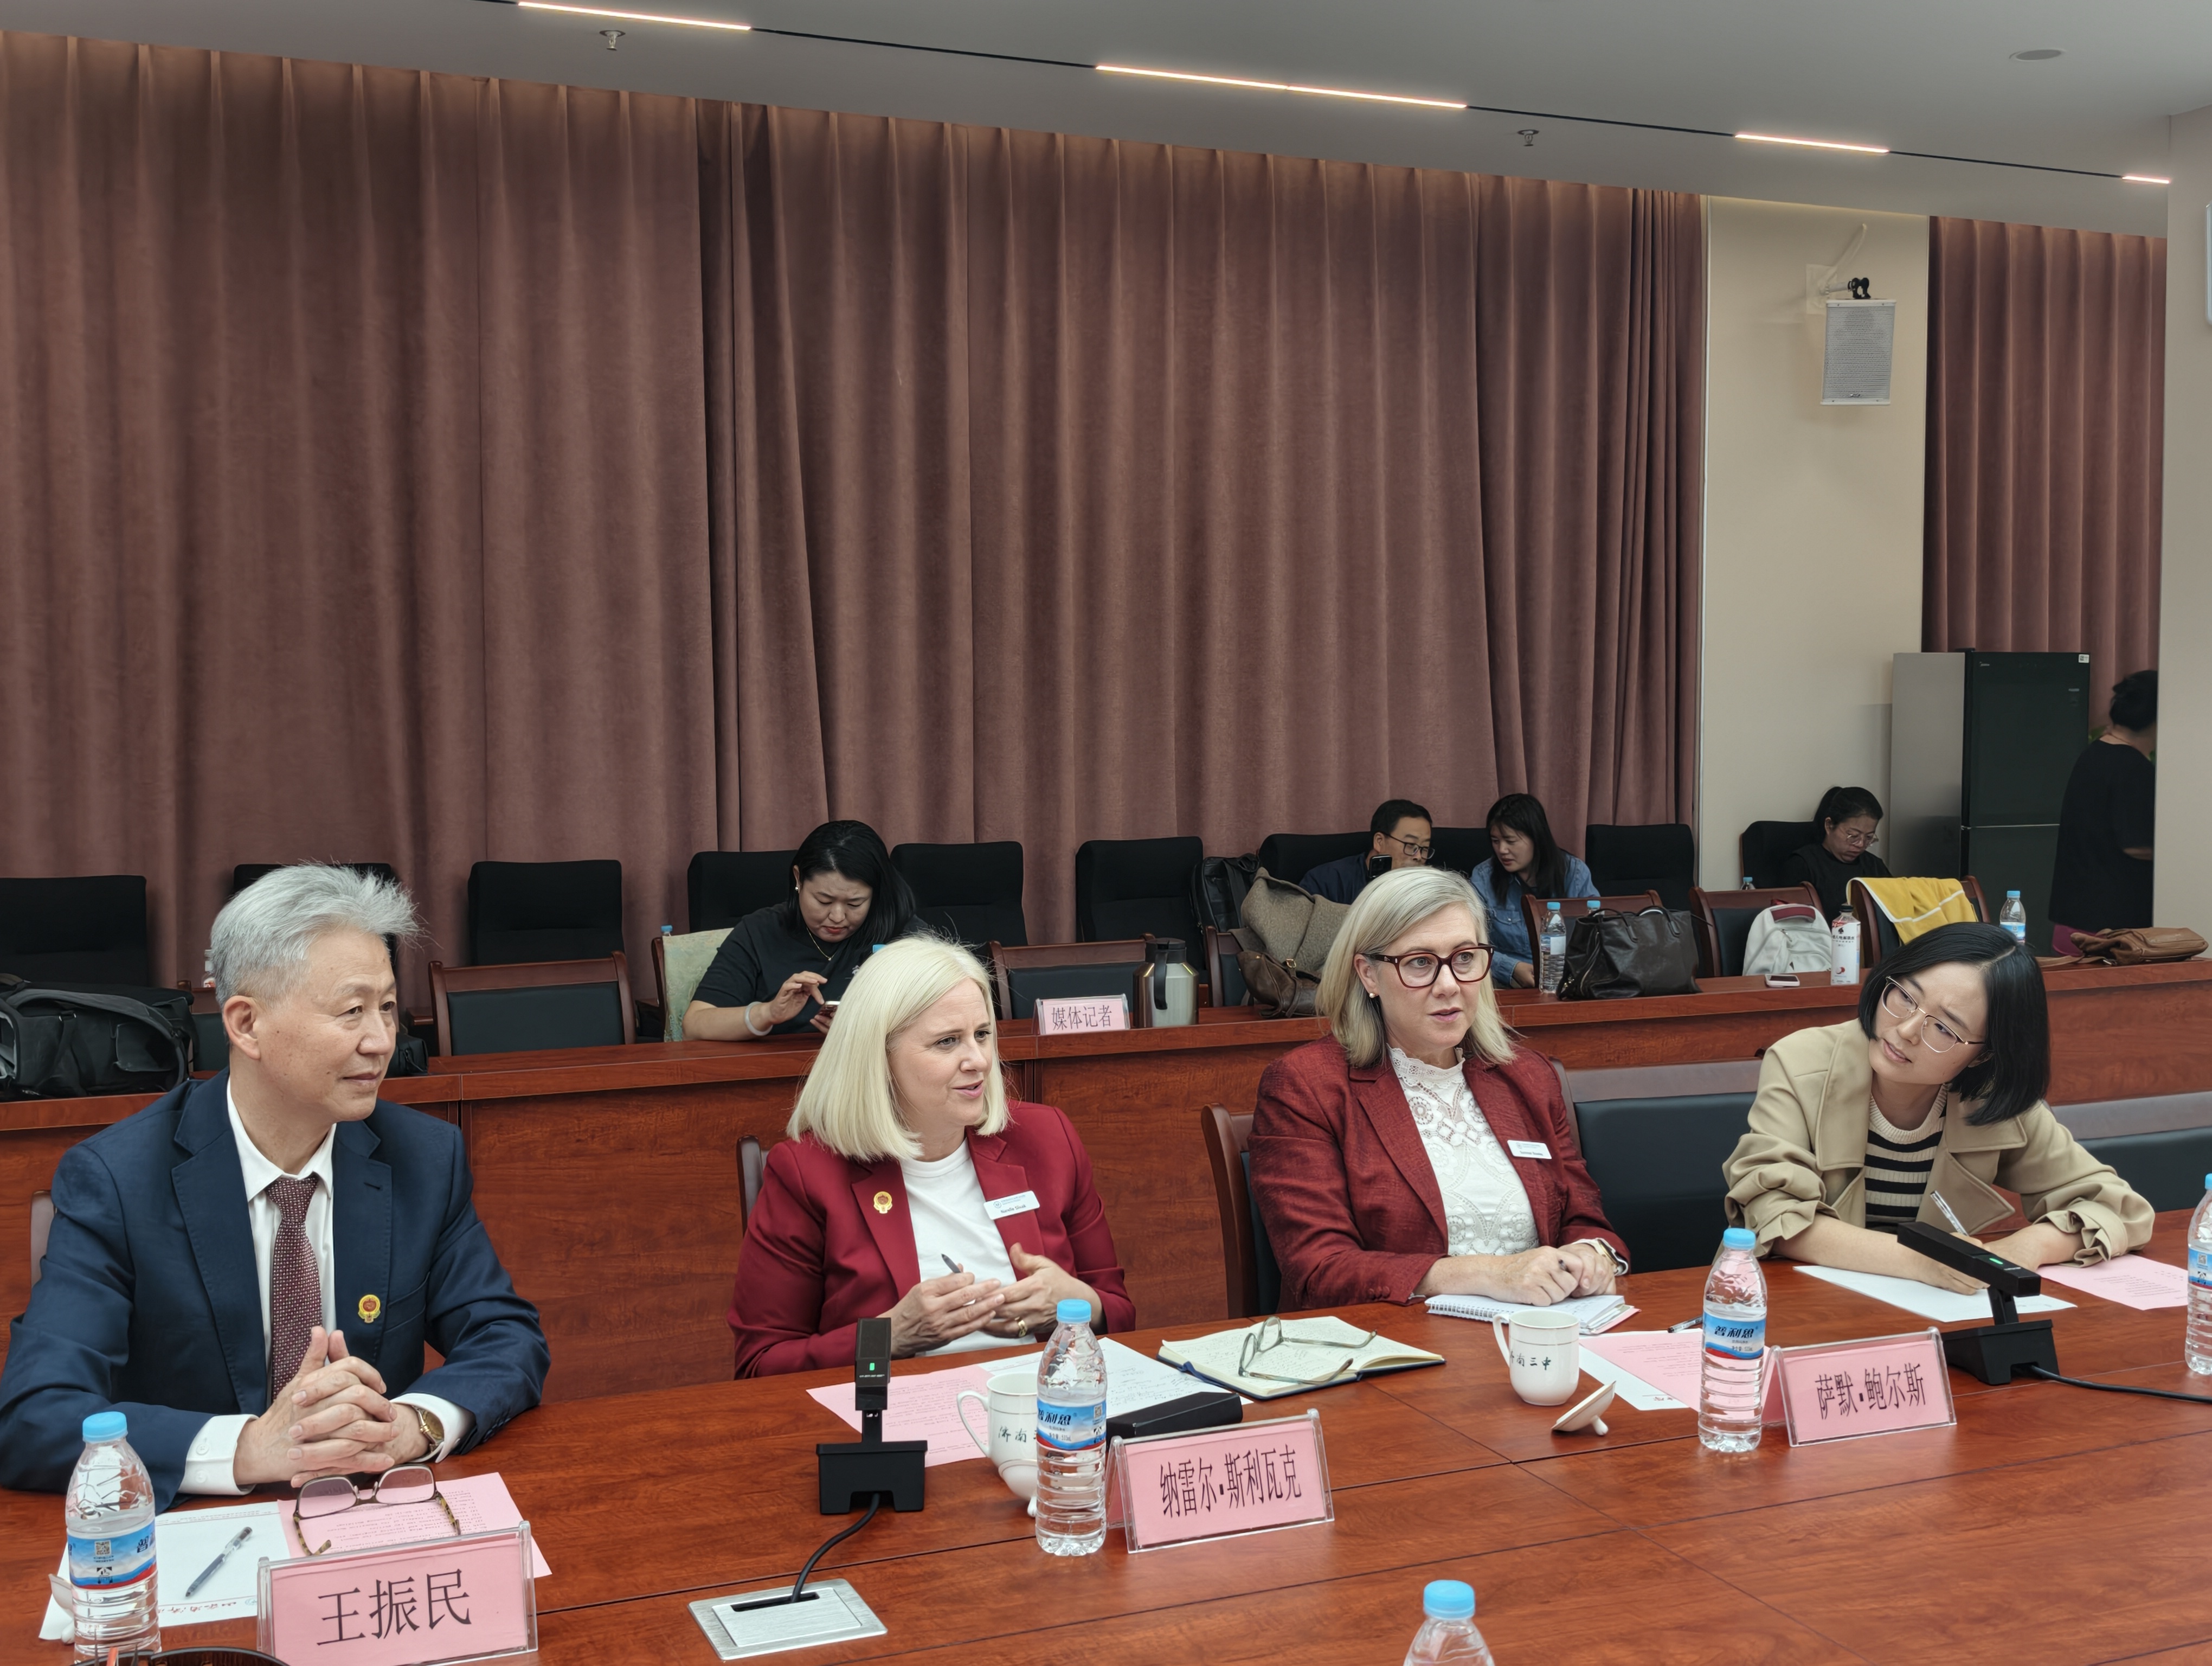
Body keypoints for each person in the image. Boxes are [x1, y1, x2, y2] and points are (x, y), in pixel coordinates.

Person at [0, 866, 547, 1510]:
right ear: (246, 1024)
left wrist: (414, 1425)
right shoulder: (119, 1179)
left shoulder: (423, 1158)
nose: (382, 1042)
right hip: (201, 1525)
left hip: (368, 1514)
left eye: (387, 1008)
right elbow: (36, 1413)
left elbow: (506, 1337)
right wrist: (249, 1447)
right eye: (351, 1011)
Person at [730, 935, 1135, 1376]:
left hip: (1044, 1402)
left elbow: (1118, 1311)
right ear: (878, 1056)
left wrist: (1076, 1304)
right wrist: (890, 1336)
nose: (979, 1060)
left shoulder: (1047, 1138)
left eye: (982, 1035)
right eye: (947, 1042)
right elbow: (760, 1365)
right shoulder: (807, 1172)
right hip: (899, 1410)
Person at [1249, 866, 1628, 1311]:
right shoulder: (1306, 1087)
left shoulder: (1528, 1075)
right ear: (1368, 975)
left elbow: (1583, 1216)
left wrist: (1591, 1255)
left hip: (1540, 1335)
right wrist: (1490, 1275)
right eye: (1420, 963)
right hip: (1392, 1340)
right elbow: (1320, 1269)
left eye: (1465, 958)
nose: (1449, 986)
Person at [1722, 922, 2150, 1288]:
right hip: (1800, 1306)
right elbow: (1775, 1217)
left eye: (1944, 1028)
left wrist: (2026, 1248)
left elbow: (2119, 1208)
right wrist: (1922, 1260)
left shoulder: (1994, 1097)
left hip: (1932, 1317)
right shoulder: (1800, 1062)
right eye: (1904, 997)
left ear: (1983, 1055)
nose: (1907, 1030)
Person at [686, 820, 917, 1041]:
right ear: (799, 879)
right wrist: (768, 1013)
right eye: (824, 901)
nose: (837, 917)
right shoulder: (760, 931)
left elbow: (935, 1023)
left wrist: (868, 1033)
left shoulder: (903, 933)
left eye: (854, 904)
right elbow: (694, 1025)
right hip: (774, 1065)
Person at [2050, 670, 2157, 957]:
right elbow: (2137, 844)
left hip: (2073, 920)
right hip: (2111, 932)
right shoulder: (2134, 769)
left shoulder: (2094, 754)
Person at [1468, 793, 1597, 986]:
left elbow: (1597, 934)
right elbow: (1470, 944)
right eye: (1495, 841)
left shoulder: (1574, 874)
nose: (1502, 850)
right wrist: (1512, 968)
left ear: (1537, 838)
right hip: (1506, 981)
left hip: (1568, 979)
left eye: (1511, 841)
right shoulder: (1483, 878)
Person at [1779, 785, 1894, 921]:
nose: (1861, 844)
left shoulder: (1875, 866)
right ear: (1829, 826)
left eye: (1869, 837)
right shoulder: (1803, 864)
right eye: (1853, 836)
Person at [1298, 799, 1435, 904]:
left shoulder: (1428, 890)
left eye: (1424, 848)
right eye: (1410, 845)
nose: (1418, 856)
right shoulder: (1327, 881)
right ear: (1379, 842)